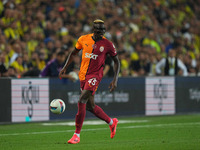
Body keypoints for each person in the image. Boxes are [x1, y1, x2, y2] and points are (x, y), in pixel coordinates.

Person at [59, 19, 120, 144]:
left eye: (102, 30)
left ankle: (76, 135)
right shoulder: (83, 39)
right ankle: (111, 122)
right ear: (93, 29)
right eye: (97, 30)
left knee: (81, 100)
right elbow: (73, 53)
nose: (99, 32)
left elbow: (116, 61)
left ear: (104, 31)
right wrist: (65, 67)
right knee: (90, 107)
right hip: (83, 75)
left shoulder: (108, 44)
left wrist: (115, 79)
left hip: (95, 76)